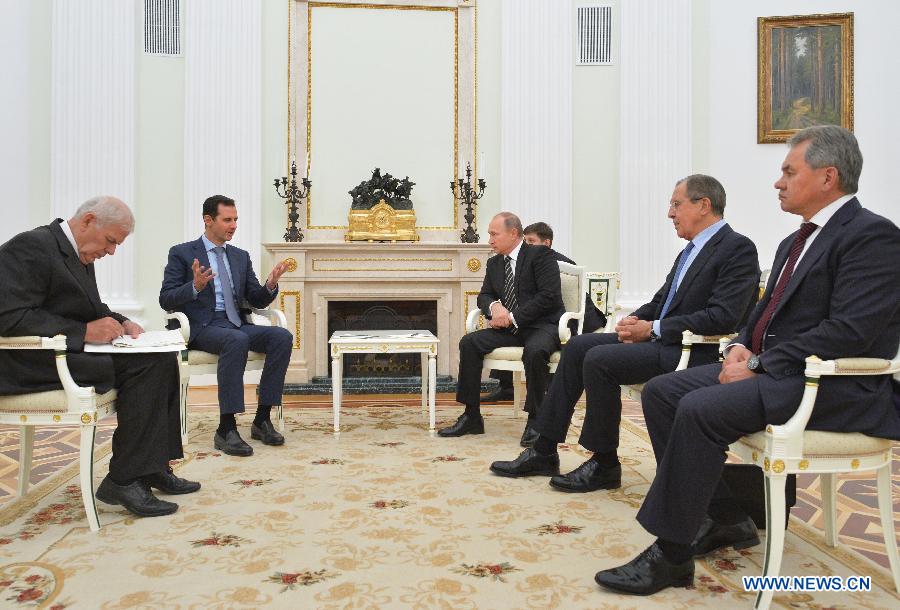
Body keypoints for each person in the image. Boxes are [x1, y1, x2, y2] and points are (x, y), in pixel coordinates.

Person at [594, 125, 900, 596]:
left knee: (699, 408)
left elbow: (849, 331)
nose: (778, 181)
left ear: (828, 176)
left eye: (789, 172)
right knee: (662, 393)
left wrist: (759, 365)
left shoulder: (873, 236)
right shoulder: (794, 241)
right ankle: (724, 515)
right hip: (786, 372)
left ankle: (671, 555)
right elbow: (762, 314)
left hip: (836, 385)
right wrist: (741, 344)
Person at [489, 175, 760, 491]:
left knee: (599, 360)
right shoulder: (690, 251)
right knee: (577, 347)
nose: (670, 213)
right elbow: (661, 300)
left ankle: (604, 464)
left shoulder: (737, 248)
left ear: (703, 205)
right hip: (665, 340)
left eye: (676, 204)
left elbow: (723, 316)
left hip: (694, 350)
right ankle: (543, 450)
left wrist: (653, 328)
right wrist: (635, 319)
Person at [0, 197, 199, 518]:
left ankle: (151, 466)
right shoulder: (31, 246)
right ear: (88, 220)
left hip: (63, 352)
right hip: (29, 361)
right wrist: (83, 331)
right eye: (110, 241)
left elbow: (90, 309)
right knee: (145, 366)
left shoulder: (77, 252)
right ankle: (124, 479)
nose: (111, 251)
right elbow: (8, 316)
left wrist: (121, 321)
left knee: (162, 357)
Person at [160, 195, 293, 457]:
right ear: (208, 220)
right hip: (202, 326)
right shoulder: (182, 253)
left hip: (236, 323)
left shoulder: (240, 256)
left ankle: (262, 420)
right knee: (236, 340)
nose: (234, 225)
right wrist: (195, 286)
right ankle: (226, 428)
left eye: (236, 220)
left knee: (281, 337)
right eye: (227, 220)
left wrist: (270, 285)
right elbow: (166, 298)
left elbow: (255, 299)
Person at [438, 212, 565, 438]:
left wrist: (512, 317)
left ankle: (536, 420)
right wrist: (494, 306)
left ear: (513, 233)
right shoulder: (495, 263)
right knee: (469, 343)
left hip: (542, 326)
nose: (490, 240)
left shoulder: (540, 255)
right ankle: (471, 416)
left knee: (535, 352)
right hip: (512, 330)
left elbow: (548, 296)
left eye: (494, 234)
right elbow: (484, 295)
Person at [483, 222, 608, 429]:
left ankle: (544, 402)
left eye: (531, 241)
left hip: (572, 319)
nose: (526, 245)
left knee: (539, 343)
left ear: (546, 243)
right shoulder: (514, 261)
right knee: (512, 332)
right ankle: (506, 387)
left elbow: (563, 301)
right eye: (525, 241)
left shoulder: (560, 263)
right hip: (533, 319)